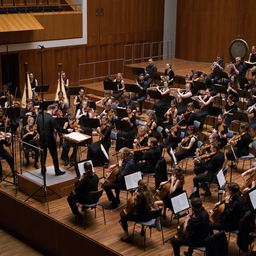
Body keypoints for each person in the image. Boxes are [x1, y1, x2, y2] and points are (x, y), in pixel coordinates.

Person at [37, 104, 70, 176]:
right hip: (50, 140)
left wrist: (42, 135)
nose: (54, 113)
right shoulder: (52, 119)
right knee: (54, 156)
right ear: (52, 110)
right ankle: (57, 171)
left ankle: (43, 170)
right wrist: (67, 131)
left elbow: (38, 129)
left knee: (43, 155)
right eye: (54, 111)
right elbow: (59, 129)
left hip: (42, 139)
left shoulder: (40, 117)